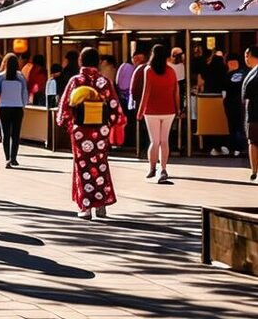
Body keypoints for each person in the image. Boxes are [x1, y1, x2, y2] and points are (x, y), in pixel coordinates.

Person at [57, 47, 126, 219]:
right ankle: (101, 204)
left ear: (81, 61)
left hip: (80, 130)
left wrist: (66, 122)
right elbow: (114, 107)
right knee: (100, 165)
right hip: (100, 130)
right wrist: (116, 121)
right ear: (97, 62)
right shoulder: (104, 82)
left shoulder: (76, 81)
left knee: (83, 167)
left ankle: (86, 207)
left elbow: (65, 106)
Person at [137, 44, 180, 183]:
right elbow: (176, 91)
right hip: (169, 109)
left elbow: (146, 91)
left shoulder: (148, 70)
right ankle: (163, 168)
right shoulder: (171, 71)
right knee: (164, 140)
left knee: (154, 141)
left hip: (151, 110)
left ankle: (151, 168)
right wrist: (178, 108)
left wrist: (140, 110)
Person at [0, 53, 29, 167]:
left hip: (4, 108)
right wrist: (23, 105)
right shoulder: (21, 77)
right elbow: (24, 93)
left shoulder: (0, 77)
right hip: (17, 108)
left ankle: (7, 158)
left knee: (6, 134)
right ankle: (14, 158)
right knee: (16, 134)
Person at [224, 53, 247, 158]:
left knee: (234, 126)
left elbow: (225, 90)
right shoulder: (245, 73)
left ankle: (236, 148)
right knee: (239, 126)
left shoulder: (230, 75)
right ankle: (239, 148)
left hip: (232, 103)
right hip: (241, 103)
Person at [242, 46, 258, 182]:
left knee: (253, 141)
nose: (245, 59)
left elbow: (248, 92)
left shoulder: (254, 73)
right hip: (252, 112)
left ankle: (254, 171)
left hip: (254, 112)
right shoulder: (252, 71)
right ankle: (254, 171)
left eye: (246, 56)